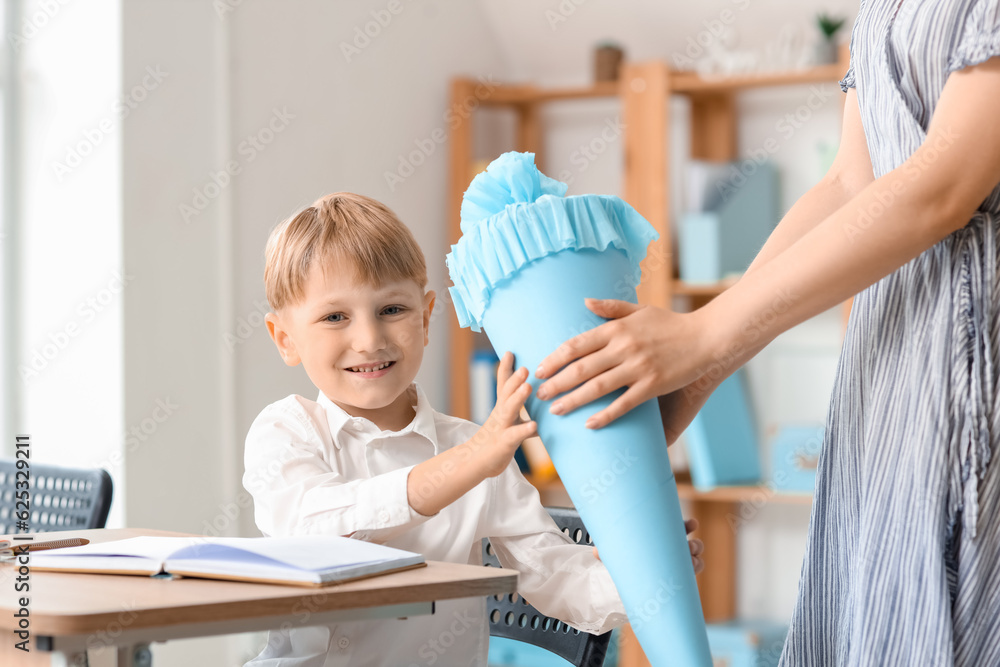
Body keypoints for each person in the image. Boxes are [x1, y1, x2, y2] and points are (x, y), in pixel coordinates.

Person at [533, 0, 1000, 664]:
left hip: (975, 364)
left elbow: (945, 184)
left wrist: (703, 334)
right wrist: (702, 366)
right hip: (890, 385)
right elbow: (848, 185)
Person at [241, 192, 704, 666]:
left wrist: (647, 572)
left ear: (425, 318)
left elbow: (554, 577)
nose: (369, 339)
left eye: (392, 310)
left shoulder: (477, 448)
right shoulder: (286, 432)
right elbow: (313, 531)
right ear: (285, 338)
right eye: (335, 317)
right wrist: (468, 463)